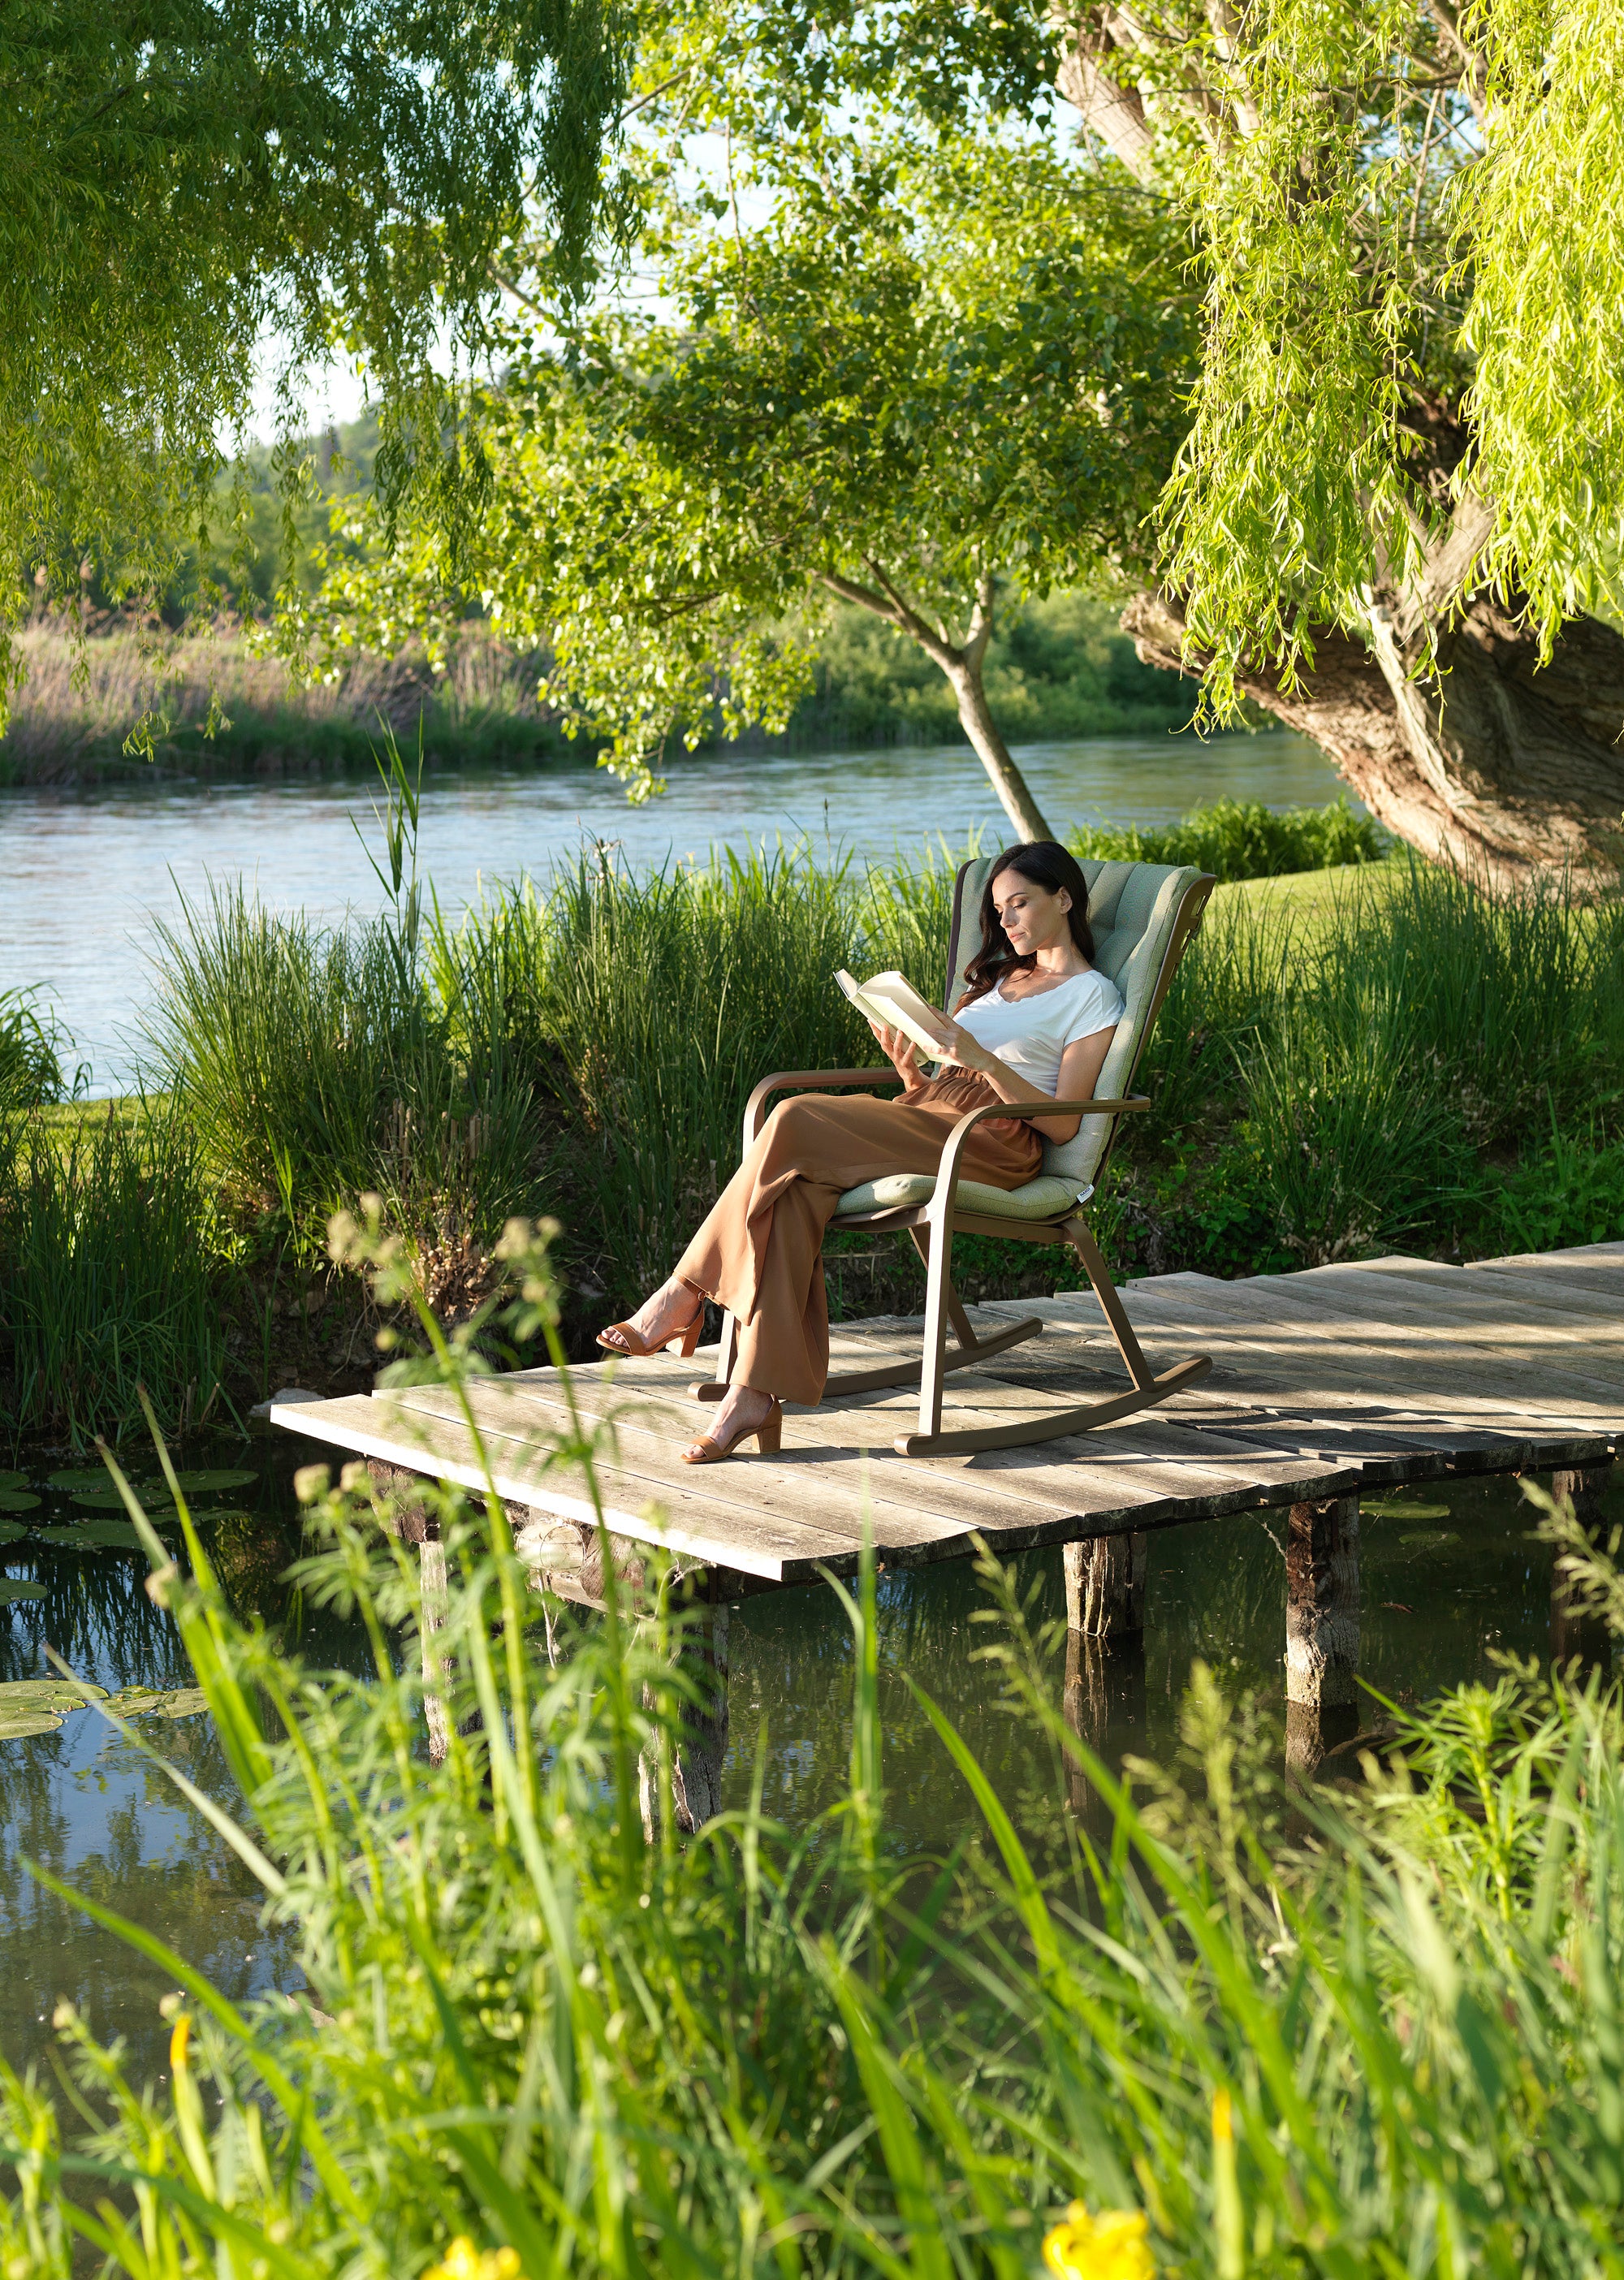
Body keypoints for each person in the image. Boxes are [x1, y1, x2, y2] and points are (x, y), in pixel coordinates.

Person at [597, 840, 1123, 1462]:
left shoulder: (1093, 995)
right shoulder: (1001, 978)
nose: (1006, 922)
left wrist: (980, 1059)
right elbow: (933, 1088)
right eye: (998, 910)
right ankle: (752, 1395)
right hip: (929, 1116)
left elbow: (1063, 1125)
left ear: (1063, 898)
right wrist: (909, 1067)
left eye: (1020, 904)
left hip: (989, 1141)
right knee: (795, 1193)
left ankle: (683, 1293)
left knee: (792, 1112)